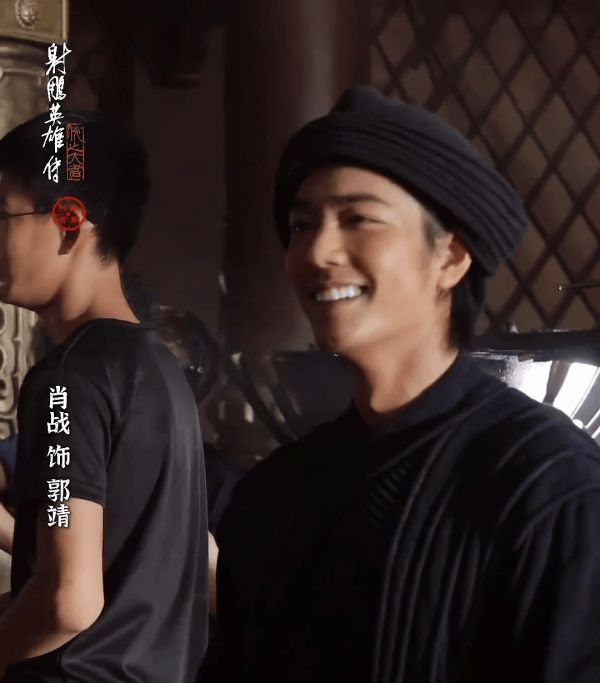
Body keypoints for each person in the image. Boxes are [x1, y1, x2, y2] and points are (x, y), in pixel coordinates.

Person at [209, 86, 600, 682]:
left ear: (451, 258)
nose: (318, 251)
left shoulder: (550, 489)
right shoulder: (275, 495)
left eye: (358, 219)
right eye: (301, 225)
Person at [0, 110, 209, 682]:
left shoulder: (66, 382)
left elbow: (69, 600)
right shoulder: (160, 371)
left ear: (69, 221)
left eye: (2, 214)